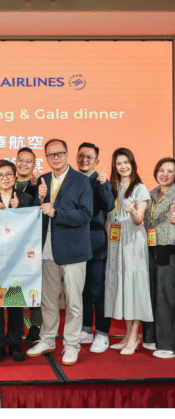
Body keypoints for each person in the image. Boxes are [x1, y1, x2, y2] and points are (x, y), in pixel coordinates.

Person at [26, 139, 93, 366]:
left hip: (74, 250)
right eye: (51, 155)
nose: (55, 158)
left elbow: (86, 214)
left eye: (59, 153)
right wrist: (39, 198)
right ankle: (47, 339)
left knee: (73, 302)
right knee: (48, 301)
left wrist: (57, 213)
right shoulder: (43, 179)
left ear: (67, 154)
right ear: (45, 157)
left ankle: (72, 345)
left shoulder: (82, 180)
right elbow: (36, 213)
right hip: (47, 249)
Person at [0, 159, 34, 363]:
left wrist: (16, 212)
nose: (5, 178)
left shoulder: (26, 198)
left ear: (15, 176)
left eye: (9, 174)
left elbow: (31, 228)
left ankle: (15, 344)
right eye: (0, 175)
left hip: (18, 260)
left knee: (15, 305)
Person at [105, 148, 153, 355]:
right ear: (114, 166)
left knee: (134, 285)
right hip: (116, 241)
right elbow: (110, 217)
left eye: (126, 162)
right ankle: (126, 336)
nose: (123, 166)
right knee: (122, 285)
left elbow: (138, 219)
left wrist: (133, 211)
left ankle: (134, 335)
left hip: (133, 240)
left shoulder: (139, 188)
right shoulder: (114, 188)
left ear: (132, 164)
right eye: (119, 163)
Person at [76, 143, 115, 353]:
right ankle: (85, 328)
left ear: (96, 161)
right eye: (81, 156)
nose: (84, 160)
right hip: (75, 243)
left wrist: (104, 185)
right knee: (81, 290)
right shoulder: (72, 180)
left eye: (89, 157)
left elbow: (109, 205)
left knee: (97, 290)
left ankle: (102, 332)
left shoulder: (101, 181)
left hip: (96, 243)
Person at [143, 158, 175, 358]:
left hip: (169, 247)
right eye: (162, 170)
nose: (165, 174)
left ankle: (168, 345)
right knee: (152, 292)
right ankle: (152, 337)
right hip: (151, 246)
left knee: (166, 296)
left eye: (170, 171)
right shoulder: (152, 193)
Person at [14, 147, 41, 346]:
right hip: (10, 245)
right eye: (20, 160)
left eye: (28, 161)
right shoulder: (6, 182)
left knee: (33, 285)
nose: (24, 164)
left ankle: (35, 326)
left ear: (34, 165)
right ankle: (14, 327)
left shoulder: (40, 185)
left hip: (32, 243)